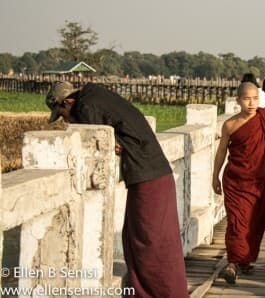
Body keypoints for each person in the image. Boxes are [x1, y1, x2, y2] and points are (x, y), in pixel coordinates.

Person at [45, 81, 188, 297]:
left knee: (150, 245)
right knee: (135, 239)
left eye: (62, 112)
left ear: (68, 101)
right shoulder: (94, 95)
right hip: (153, 174)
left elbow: (93, 141)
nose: (65, 119)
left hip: (148, 177)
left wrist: (110, 144)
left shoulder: (85, 107)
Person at [212, 82, 265, 284]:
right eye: (246, 99)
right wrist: (214, 176)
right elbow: (221, 152)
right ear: (238, 101)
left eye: (255, 98)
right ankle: (232, 263)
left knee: (254, 223)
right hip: (236, 181)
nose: (251, 103)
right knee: (237, 223)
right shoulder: (230, 125)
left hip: (260, 181)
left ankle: (242, 260)